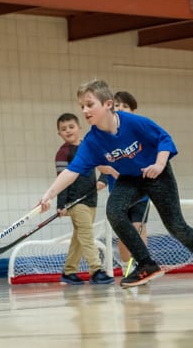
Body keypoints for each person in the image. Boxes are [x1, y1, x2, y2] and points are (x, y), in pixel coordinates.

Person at [39, 79, 193, 289]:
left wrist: (159, 163)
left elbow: (164, 139)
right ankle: (146, 264)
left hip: (156, 174)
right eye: (82, 106)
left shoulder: (133, 122)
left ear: (108, 104)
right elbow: (71, 171)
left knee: (175, 225)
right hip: (129, 179)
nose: (84, 110)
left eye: (90, 104)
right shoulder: (92, 141)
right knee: (114, 211)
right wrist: (49, 194)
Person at [55, 113, 114, 285]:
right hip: (75, 202)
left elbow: (105, 165)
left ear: (80, 128)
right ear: (59, 133)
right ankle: (96, 271)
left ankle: (68, 271)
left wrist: (103, 180)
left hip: (91, 200)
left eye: (71, 127)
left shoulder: (89, 147)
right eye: (63, 129)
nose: (68, 131)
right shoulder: (62, 153)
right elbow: (61, 181)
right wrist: (61, 204)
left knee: (79, 237)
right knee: (87, 236)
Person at [112, 91, 150, 274]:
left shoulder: (140, 131)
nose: (120, 108)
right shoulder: (108, 135)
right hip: (119, 193)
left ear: (133, 110)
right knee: (124, 231)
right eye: (117, 105)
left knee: (138, 227)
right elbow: (102, 162)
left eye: (125, 106)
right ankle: (126, 268)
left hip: (141, 192)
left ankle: (144, 265)